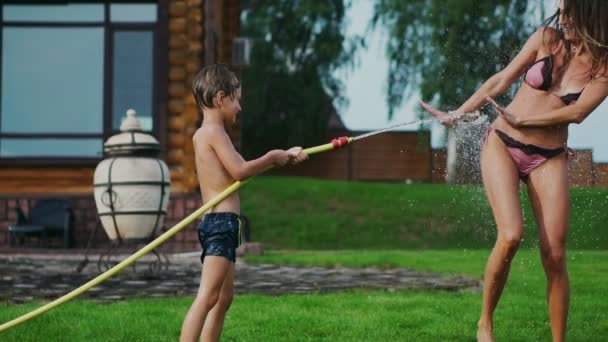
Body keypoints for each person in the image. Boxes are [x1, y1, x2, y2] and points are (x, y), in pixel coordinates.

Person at [420, 1, 608, 341]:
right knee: (511, 235)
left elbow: (578, 112)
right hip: (503, 145)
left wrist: (527, 119)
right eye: (560, 8)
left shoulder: (602, 66)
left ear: (589, 13)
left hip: (548, 156)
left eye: (568, 10)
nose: (560, 14)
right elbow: (502, 79)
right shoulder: (546, 39)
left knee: (554, 254)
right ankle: (485, 324)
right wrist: (459, 112)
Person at [180, 64, 308, 342]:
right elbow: (240, 170)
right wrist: (274, 156)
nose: (239, 107)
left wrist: (283, 156)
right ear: (220, 98)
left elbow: (236, 171)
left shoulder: (202, 134)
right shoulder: (215, 133)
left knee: (224, 298)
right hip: (221, 223)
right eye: (237, 100)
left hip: (221, 224)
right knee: (208, 296)